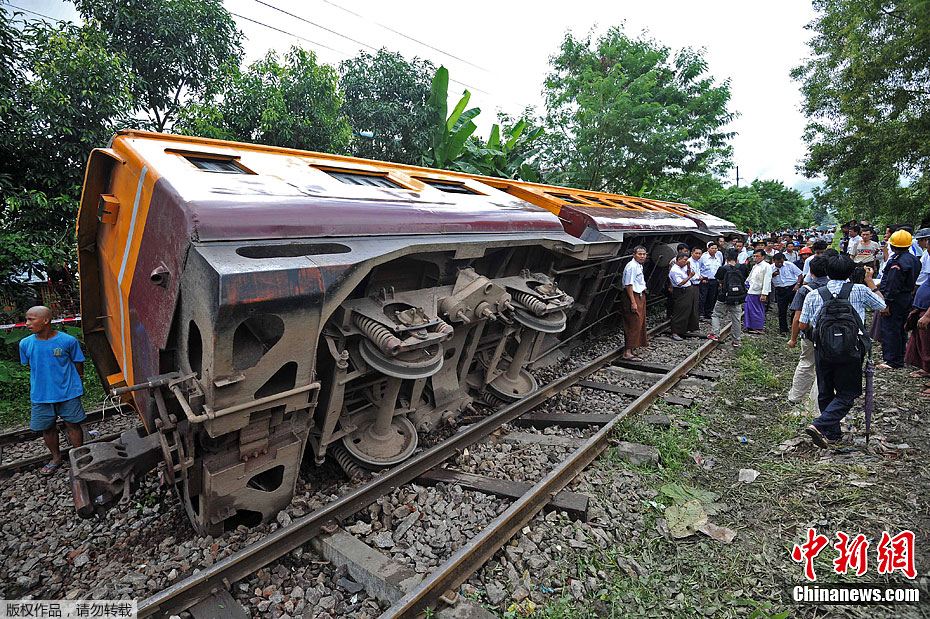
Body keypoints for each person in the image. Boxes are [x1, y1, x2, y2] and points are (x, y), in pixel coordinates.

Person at [798, 255, 885, 447]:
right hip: (852, 349)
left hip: (823, 349)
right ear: (851, 272)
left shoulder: (815, 294)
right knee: (849, 392)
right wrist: (870, 282)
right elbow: (883, 306)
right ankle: (821, 425)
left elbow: (803, 324)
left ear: (827, 272)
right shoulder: (860, 290)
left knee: (825, 391)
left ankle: (832, 433)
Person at [19, 306, 87, 475]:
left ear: (46, 320)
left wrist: (78, 379)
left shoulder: (68, 341)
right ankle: (56, 458)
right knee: (47, 428)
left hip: (68, 392)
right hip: (41, 395)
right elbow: (30, 365)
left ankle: (79, 456)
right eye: (26, 319)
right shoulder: (25, 344)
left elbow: (78, 361)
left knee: (73, 424)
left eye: (31, 319)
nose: (27, 323)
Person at [787, 256, 830, 413]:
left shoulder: (805, 290)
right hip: (830, 336)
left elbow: (797, 318)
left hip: (809, 334)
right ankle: (816, 406)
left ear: (811, 272)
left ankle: (796, 395)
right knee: (824, 369)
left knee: (806, 362)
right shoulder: (837, 288)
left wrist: (792, 339)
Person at [877, 229, 919, 369]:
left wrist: (886, 303)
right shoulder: (913, 259)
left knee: (890, 328)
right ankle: (901, 356)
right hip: (907, 297)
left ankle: (892, 360)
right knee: (901, 328)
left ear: (893, 246)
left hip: (895, 299)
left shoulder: (898, 262)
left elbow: (892, 284)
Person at [708, 248, 747, 347]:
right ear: (737, 257)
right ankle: (736, 341)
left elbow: (719, 280)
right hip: (738, 297)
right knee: (736, 319)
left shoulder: (723, 268)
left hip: (724, 296)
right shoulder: (742, 268)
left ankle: (715, 334)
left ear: (726, 257)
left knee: (716, 315)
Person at [621, 245, 649, 361]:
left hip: (640, 294)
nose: (642, 256)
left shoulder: (639, 266)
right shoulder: (631, 266)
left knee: (639, 322)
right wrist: (633, 302)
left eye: (644, 254)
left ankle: (632, 348)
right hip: (632, 296)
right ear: (634, 255)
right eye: (639, 254)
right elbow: (628, 285)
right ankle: (627, 351)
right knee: (633, 322)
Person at [905, 273, 930, 397]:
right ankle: (927, 369)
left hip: (927, 313)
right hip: (922, 308)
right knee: (923, 344)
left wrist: (928, 315)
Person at [668, 252, 698, 341]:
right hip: (681, 291)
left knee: (688, 310)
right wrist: (689, 276)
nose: (686, 262)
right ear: (678, 260)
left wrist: (688, 266)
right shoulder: (674, 270)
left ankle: (684, 329)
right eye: (684, 260)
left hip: (688, 290)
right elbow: (680, 283)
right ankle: (675, 332)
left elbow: (688, 272)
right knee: (680, 311)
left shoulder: (683, 267)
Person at [771, 253, 802, 335]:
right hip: (780, 290)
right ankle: (783, 329)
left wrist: (798, 285)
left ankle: (794, 326)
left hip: (792, 288)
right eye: (778, 262)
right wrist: (773, 275)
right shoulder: (771, 268)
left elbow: (800, 274)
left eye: (781, 262)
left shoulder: (789, 265)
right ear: (774, 261)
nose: (780, 264)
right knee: (782, 310)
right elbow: (766, 278)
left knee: (795, 309)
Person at [744, 249, 772, 333]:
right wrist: (746, 283)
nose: (755, 258)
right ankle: (750, 326)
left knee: (757, 310)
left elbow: (767, 280)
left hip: (759, 291)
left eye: (757, 256)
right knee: (749, 309)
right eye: (754, 256)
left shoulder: (766, 266)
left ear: (763, 257)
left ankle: (758, 327)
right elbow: (750, 277)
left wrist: (764, 293)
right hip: (751, 290)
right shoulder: (755, 266)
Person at [699, 242, 722, 319]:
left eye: (716, 248)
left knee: (712, 297)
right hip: (705, 280)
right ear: (708, 249)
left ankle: (708, 312)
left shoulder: (718, 257)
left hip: (714, 280)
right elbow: (697, 268)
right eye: (712, 248)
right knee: (703, 297)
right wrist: (701, 277)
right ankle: (701, 313)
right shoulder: (703, 258)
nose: (714, 250)